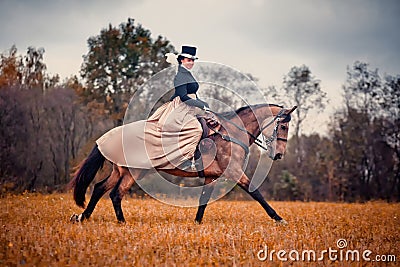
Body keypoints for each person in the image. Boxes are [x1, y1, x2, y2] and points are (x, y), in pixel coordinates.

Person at [96, 45, 207, 170]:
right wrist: (200, 104)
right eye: (188, 60)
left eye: (192, 60)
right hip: (181, 108)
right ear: (182, 60)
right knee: (196, 130)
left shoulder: (187, 74)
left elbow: (190, 93)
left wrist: (202, 102)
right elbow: (182, 96)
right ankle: (184, 159)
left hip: (189, 108)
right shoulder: (180, 76)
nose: (191, 62)